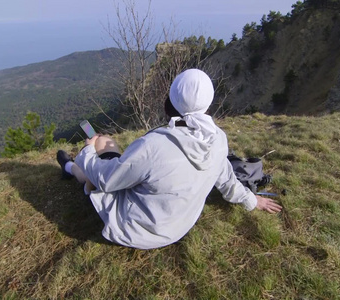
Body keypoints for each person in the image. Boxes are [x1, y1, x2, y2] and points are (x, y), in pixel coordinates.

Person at [56, 69, 282, 250]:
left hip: (135, 229)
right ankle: (72, 166)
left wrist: (87, 151)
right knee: (110, 150)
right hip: (177, 228)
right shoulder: (218, 140)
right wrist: (253, 201)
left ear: (171, 101)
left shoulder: (154, 146)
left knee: (100, 154)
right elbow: (228, 182)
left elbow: (107, 180)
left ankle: (70, 167)